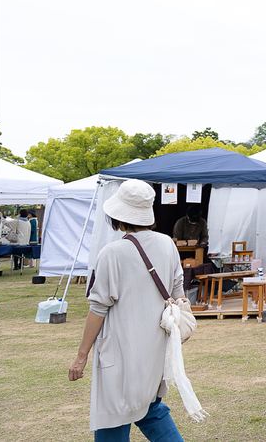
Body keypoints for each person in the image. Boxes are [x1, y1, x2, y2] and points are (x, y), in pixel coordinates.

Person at [68, 179, 186, 441]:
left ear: (117, 215)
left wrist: (81, 356)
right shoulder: (168, 244)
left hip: (121, 349)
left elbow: (98, 309)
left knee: (113, 414)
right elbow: (179, 293)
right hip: (156, 346)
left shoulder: (112, 253)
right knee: (150, 406)